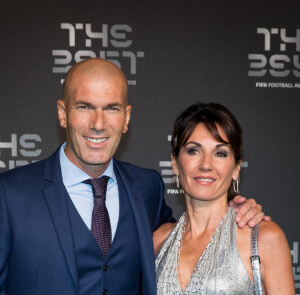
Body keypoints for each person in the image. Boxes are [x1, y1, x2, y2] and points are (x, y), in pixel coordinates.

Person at [0, 59, 266, 295]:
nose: (98, 123)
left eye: (112, 109)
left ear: (126, 118)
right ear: (62, 113)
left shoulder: (146, 188)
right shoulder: (10, 195)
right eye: (84, 107)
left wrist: (230, 211)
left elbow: (190, 237)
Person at [154, 102, 295, 294]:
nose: (206, 164)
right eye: (193, 150)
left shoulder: (265, 238)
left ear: (236, 168)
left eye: (220, 153)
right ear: (175, 163)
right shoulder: (158, 240)